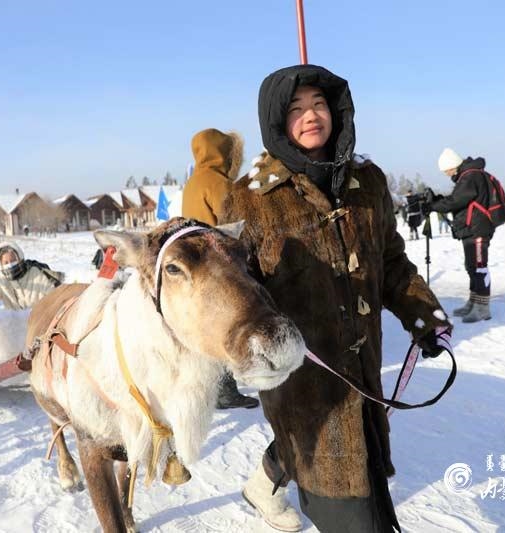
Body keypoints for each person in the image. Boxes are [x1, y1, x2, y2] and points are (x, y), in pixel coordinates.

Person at [221, 64, 450, 533]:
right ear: (276, 121)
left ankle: (268, 484)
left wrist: (422, 312)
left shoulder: (368, 181)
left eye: (319, 104)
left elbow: (390, 259)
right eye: (296, 108)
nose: (311, 116)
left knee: (368, 487)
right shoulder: (248, 199)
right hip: (303, 390)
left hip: (364, 379)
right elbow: (234, 295)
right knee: (350, 511)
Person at [182, 127, 259, 410]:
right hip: (220, 261)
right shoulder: (218, 183)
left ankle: (216, 389)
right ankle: (226, 392)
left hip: (199, 261)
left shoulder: (193, 182)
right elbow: (236, 222)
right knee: (230, 319)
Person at [429, 148, 497, 322]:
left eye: (446, 170)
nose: (446, 174)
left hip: (478, 229)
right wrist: (437, 200)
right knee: (471, 266)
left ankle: (482, 308)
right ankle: (473, 302)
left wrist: (433, 205)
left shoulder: (470, 176)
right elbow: (459, 200)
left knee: (479, 267)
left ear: (452, 165)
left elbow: (456, 201)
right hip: (470, 229)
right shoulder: (466, 176)